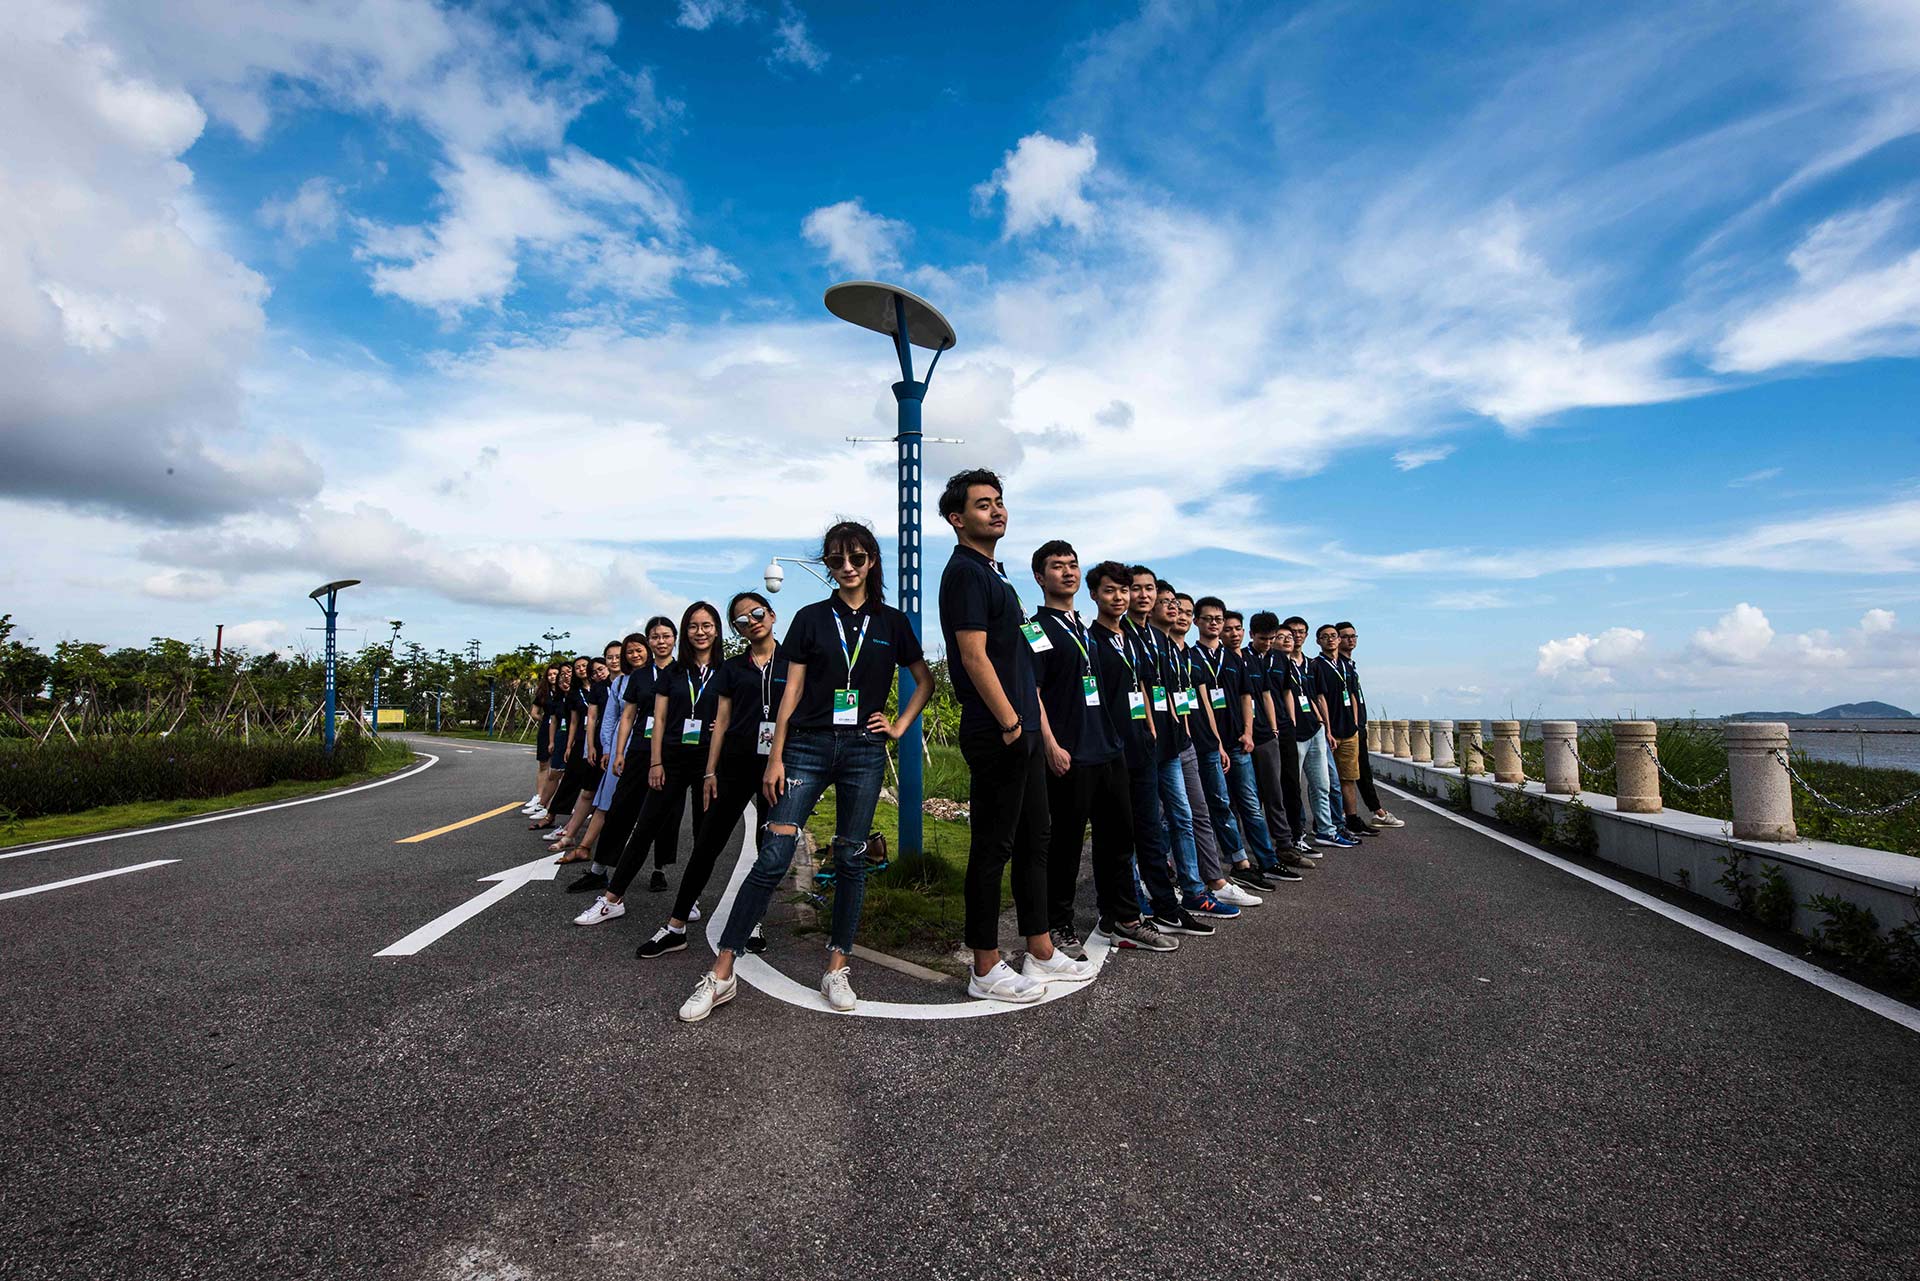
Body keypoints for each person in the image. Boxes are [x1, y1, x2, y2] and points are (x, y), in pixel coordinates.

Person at [679, 520, 934, 1021]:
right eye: (837, 560)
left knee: (851, 857)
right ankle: (722, 972)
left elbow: (923, 680)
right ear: (828, 565)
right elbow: (791, 691)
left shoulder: (892, 623)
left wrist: (900, 726)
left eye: (856, 558)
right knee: (773, 857)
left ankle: (836, 968)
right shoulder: (811, 618)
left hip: (864, 749)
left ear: (871, 561)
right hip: (808, 747)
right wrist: (776, 756)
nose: (847, 567)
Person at [939, 468, 1096, 1003]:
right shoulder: (965, 573)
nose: (997, 510)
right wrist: (1009, 721)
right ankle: (985, 966)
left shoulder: (995, 573)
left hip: (1023, 727)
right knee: (993, 846)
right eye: (983, 504)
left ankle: (1041, 951)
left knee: (1036, 840)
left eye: (999, 501)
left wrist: (1028, 725)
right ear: (958, 518)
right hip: (997, 728)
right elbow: (973, 656)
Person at [1029, 542, 1172, 958]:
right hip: (1071, 754)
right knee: (1067, 844)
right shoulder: (1035, 629)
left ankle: (1123, 919)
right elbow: (1033, 691)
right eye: (1057, 566)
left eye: (1072, 565)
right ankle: (1059, 926)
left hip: (1109, 750)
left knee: (1118, 841)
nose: (1067, 572)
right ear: (1040, 577)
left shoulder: (1085, 629)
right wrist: (1051, 745)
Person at [636, 592, 785, 959]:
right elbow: (722, 721)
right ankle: (675, 927)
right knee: (706, 846)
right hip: (734, 766)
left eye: (757, 613)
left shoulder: (794, 662)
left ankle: (753, 921)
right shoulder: (732, 668)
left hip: (777, 766)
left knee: (766, 847)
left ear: (771, 614)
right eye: (742, 620)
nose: (752, 622)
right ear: (735, 629)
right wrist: (709, 772)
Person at [574, 602, 727, 928]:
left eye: (707, 625)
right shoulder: (673, 672)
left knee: (704, 834)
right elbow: (657, 719)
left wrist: (725, 726)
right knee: (644, 827)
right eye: (693, 626)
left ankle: (690, 899)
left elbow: (740, 708)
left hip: (709, 762)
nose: (700, 632)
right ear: (685, 632)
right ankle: (612, 899)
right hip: (671, 759)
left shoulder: (728, 670)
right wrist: (656, 762)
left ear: (717, 630)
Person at [1080, 559, 1183, 950]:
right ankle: (1117, 914)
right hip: (1111, 751)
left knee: (1146, 830)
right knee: (1115, 836)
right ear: (1095, 595)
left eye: (1124, 590)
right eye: (1111, 590)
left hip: (1141, 746)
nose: (1120, 597)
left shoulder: (1132, 639)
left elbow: (1140, 687)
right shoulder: (1091, 639)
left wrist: (1150, 727)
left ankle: (1147, 909)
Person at [1130, 574, 1240, 920]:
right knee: (1146, 823)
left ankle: (1195, 890)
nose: (1174, 610)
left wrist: (1186, 732)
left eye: (1174, 604)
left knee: (1186, 817)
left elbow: (1180, 697)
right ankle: (1139, 893)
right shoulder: (1130, 638)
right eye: (1167, 603)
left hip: (1176, 744)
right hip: (1143, 745)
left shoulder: (1168, 647)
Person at [567, 617, 682, 895]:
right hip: (639, 749)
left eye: (666, 636)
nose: (661, 641)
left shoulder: (683, 672)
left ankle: (659, 870)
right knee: (620, 809)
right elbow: (627, 716)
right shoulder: (639, 676)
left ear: (675, 638)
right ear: (649, 641)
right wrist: (618, 752)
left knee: (667, 814)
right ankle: (599, 870)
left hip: (672, 751)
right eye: (655, 637)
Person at [1165, 590, 1264, 905]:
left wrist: (1217, 741)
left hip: (1206, 743)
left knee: (1212, 808)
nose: (1181, 615)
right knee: (1176, 816)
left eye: (1186, 611)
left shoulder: (1195, 656)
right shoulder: (1167, 651)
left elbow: (1204, 701)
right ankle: (1175, 878)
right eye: (1177, 610)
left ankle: (1227, 871)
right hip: (1176, 745)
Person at [1193, 597, 1297, 886]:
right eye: (1209, 619)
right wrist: (1216, 742)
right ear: (1197, 622)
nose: (1215, 624)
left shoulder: (1233, 659)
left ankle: (1268, 861)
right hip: (1211, 746)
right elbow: (1201, 702)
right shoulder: (1192, 657)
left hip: (1239, 744)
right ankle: (1239, 863)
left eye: (1220, 619)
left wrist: (1249, 732)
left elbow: (1246, 697)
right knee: (1221, 806)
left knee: (1251, 804)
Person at [1282, 616, 1357, 850]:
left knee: (1323, 784)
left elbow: (1317, 698)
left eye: (1301, 631)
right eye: (1292, 632)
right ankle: (1296, 833)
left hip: (1315, 729)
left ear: (1306, 635)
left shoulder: (1311, 665)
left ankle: (1326, 830)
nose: (1297, 635)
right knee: (1293, 787)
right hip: (1293, 734)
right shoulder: (1278, 662)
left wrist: (1325, 727)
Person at [553, 640, 630, 863]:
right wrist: (591, 747)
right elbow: (593, 718)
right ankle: (570, 835)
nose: (614, 661)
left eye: (618, 656)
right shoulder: (599, 687)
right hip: (601, 744)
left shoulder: (634, 681)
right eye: (609, 657)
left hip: (625, 744)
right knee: (589, 792)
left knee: (620, 797)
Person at [1338, 621, 1403, 828]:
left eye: (1353, 636)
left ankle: (1366, 812)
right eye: (1346, 636)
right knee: (1357, 774)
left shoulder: (1350, 665)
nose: (1351, 640)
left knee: (1358, 773)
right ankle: (1377, 812)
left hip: (1358, 726)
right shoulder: (1338, 665)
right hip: (1350, 729)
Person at [1313, 623, 1375, 836]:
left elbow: (1353, 696)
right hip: (1329, 732)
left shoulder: (1347, 666)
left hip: (1349, 731)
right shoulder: (1316, 665)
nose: (1330, 639)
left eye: (1333, 636)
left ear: (1338, 640)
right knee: (1326, 781)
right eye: (1325, 636)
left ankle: (1352, 819)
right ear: (1318, 641)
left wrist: (1355, 724)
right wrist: (1327, 729)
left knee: (1349, 778)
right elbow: (1318, 698)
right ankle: (1326, 820)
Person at [522, 664, 561, 818]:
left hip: (562, 729)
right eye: (550, 674)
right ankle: (539, 796)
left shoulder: (565, 691)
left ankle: (556, 798)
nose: (553, 677)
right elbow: (534, 712)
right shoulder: (543, 693)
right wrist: (545, 720)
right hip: (546, 729)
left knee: (559, 766)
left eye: (555, 674)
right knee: (544, 763)